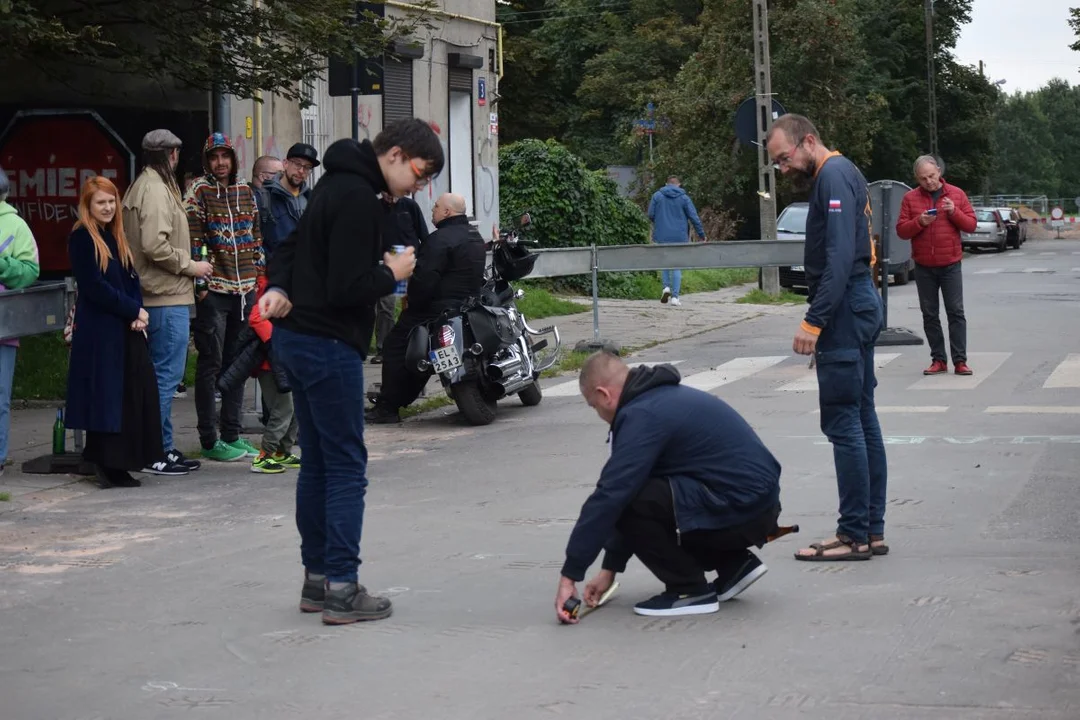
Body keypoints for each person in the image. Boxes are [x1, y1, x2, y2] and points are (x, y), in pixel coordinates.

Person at [258, 118, 444, 625]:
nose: (420, 186)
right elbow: (345, 287)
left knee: (317, 462)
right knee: (344, 468)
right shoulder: (360, 197)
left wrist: (276, 285)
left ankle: (317, 580)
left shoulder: (333, 183)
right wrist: (391, 273)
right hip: (327, 344)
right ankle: (342, 587)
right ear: (397, 155)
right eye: (421, 174)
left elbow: (290, 248)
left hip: (297, 337)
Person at [554, 352, 784, 623]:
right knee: (654, 496)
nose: (599, 414)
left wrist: (570, 575)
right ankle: (733, 565)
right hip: (756, 506)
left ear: (604, 394)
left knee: (634, 499)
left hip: (740, 508)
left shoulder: (642, 415)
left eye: (594, 406)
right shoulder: (660, 397)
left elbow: (612, 496)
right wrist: (609, 569)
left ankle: (689, 591)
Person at [765, 113, 887, 561]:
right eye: (777, 163)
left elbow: (837, 257)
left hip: (843, 309)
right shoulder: (843, 171)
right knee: (862, 417)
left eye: (784, 158)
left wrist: (813, 322)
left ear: (808, 141)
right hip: (857, 302)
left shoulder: (832, 175)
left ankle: (853, 534)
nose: (783, 169)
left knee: (843, 421)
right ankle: (870, 530)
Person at [65, 177, 167, 489]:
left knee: (131, 395)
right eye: (101, 202)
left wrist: (137, 313)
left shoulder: (114, 236)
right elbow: (95, 287)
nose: (108, 207)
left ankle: (123, 461)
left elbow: (129, 279)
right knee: (107, 397)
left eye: (111, 201)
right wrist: (132, 310)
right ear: (88, 205)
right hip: (101, 331)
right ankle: (106, 462)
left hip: (125, 326)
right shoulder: (83, 238)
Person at [123, 129, 214, 476]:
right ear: (171, 155)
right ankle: (152, 452)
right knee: (165, 377)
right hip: (164, 294)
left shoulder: (145, 184)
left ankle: (164, 446)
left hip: (158, 292)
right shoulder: (157, 189)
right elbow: (154, 245)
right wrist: (192, 266)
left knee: (160, 375)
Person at [366, 192, 486, 425]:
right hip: (467, 307)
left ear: (447, 212)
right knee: (421, 349)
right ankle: (404, 395)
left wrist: (412, 302)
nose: (433, 210)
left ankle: (388, 407)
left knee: (394, 345)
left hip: (435, 310)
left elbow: (424, 281)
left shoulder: (439, 239)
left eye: (436, 206)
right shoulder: (474, 235)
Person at [183, 132, 264, 464]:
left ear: (233, 159)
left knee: (238, 364)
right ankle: (209, 438)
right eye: (214, 157)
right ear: (207, 160)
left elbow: (256, 231)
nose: (220, 162)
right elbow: (193, 238)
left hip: (245, 289)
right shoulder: (199, 192)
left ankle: (232, 433)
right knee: (211, 363)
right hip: (214, 290)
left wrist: (257, 267)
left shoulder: (246, 191)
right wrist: (202, 284)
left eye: (225, 156)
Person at [895, 155, 977, 376]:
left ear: (939, 172)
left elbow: (971, 225)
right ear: (917, 179)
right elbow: (901, 230)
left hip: (950, 263)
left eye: (931, 176)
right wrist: (919, 222)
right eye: (923, 179)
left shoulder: (956, 194)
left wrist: (954, 212)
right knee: (929, 314)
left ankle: (960, 361)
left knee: (956, 312)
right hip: (924, 265)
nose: (929, 181)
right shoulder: (910, 198)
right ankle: (938, 359)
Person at [0, 165, 41, 477]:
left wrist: (2, 264)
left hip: (3, 327)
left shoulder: (15, 225)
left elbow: (29, 271)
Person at [371, 193, 429, 364]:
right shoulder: (374, 208)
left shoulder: (410, 206)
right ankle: (384, 347)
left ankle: (414, 346)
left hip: (409, 258)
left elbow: (423, 234)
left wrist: (426, 261)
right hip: (387, 261)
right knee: (386, 306)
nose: (390, 196)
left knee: (411, 304)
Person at [647, 176, 705, 306]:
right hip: (679, 236)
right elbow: (694, 217)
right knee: (677, 265)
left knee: (665, 262)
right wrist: (702, 234)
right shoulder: (684, 198)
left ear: (666, 184)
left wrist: (660, 222)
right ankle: (675, 297)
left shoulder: (657, 196)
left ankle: (666, 287)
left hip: (662, 235)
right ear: (679, 185)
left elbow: (650, 214)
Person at [255, 143, 318, 260]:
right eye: (297, 164)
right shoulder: (264, 197)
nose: (301, 171)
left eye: (307, 167)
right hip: (275, 274)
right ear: (285, 163)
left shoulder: (312, 199)